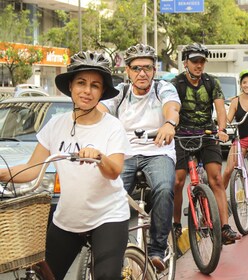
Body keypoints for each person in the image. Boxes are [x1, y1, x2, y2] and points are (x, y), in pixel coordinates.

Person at [0, 51, 132, 279]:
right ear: (70, 86)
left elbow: (115, 171)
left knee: (107, 277)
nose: (87, 91)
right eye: (81, 83)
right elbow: (33, 168)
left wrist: (100, 156)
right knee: (44, 276)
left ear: (101, 93)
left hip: (108, 216)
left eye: (95, 86)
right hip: (67, 219)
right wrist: (2, 174)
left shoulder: (112, 127)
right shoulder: (55, 125)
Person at [97, 43, 180, 272]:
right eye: (136, 68)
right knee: (110, 194)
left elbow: (172, 107)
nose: (142, 73)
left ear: (154, 70)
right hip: (125, 153)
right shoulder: (120, 92)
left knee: (164, 188)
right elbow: (101, 111)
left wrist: (169, 123)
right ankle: (116, 246)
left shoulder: (163, 88)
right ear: (128, 71)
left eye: (147, 68)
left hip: (157, 151)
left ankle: (157, 249)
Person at [171, 43, 241, 245]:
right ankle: (176, 224)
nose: (198, 65)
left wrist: (222, 129)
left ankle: (225, 228)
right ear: (186, 63)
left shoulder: (212, 83)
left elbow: (220, 109)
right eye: (194, 61)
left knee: (216, 179)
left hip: (207, 133)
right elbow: (172, 109)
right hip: (182, 135)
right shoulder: (176, 84)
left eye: (202, 61)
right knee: (177, 180)